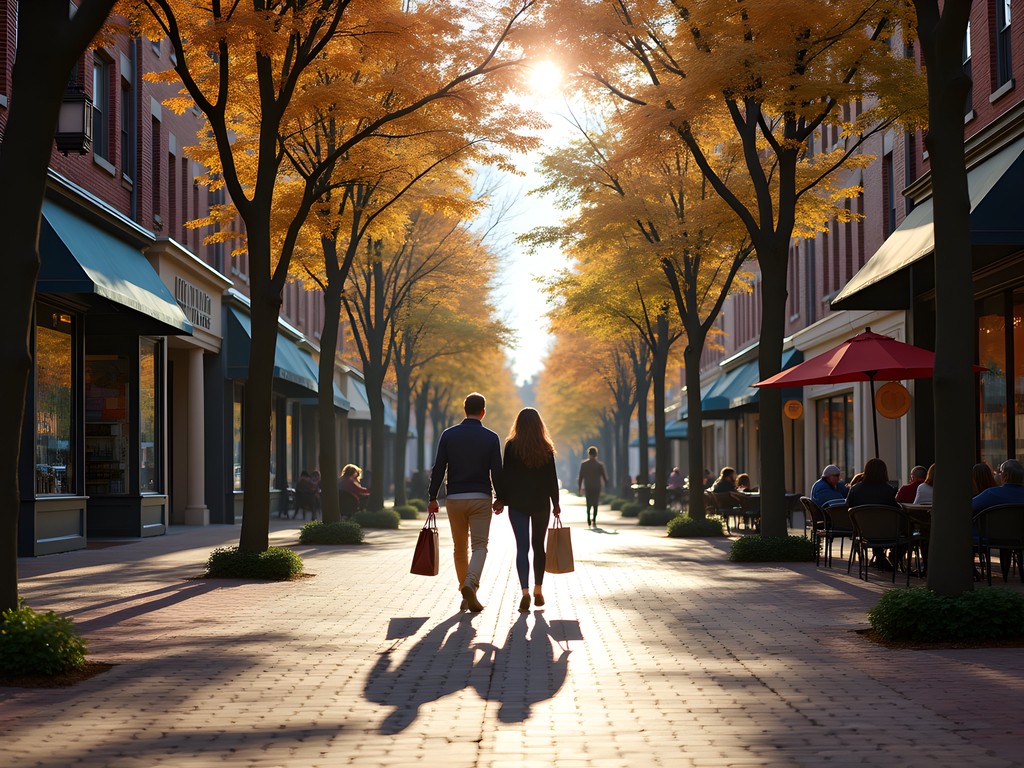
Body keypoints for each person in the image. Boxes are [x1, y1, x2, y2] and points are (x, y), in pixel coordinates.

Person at [428, 392, 504, 613]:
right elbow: (496, 471)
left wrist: (433, 497)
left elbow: (439, 468)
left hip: (455, 498)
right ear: (483, 411)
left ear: (464, 410)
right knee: (480, 546)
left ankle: (464, 590)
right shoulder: (491, 438)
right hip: (480, 497)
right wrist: (501, 497)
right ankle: (471, 583)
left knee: (459, 548)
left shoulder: (449, 435)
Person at [495, 408, 560, 613]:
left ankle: (524, 593)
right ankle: (538, 590)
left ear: (519, 424)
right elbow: (552, 479)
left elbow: (506, 475)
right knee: (539, 547)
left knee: (522, 548)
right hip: (541, 503)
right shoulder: (546, 448)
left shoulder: (511, 446)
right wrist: (556, 503)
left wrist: (501, 499)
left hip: (517, 504)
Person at [847, 458, 900, 571]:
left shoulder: (855, 489)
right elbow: (896, 510)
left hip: (863, 531)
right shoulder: (889, 491)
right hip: (887, 532)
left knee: (872, 526)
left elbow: (848, 506)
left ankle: (880, 557)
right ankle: (889, 558)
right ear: (884, 472)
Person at [577, 446, 608, 528]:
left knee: (588, 503)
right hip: (597, 487)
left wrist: (580, 488)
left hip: (588, 487)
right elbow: (604, 477)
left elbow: (580, 477)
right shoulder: (599, 465)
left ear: (588, 454)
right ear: (596, 454)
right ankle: (594, 519)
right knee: (595, 503)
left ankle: (588, 517)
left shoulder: (584, 464)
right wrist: (606, 487)